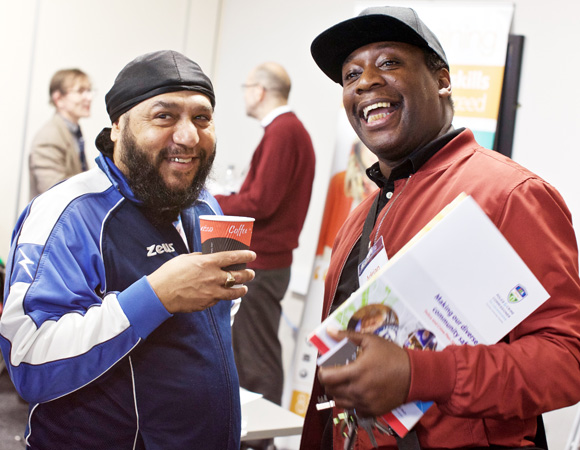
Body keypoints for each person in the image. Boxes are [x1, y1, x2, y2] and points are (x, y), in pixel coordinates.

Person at [300, 6, 580, 450]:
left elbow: (568, 361)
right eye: (351, 75)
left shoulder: (510, 194)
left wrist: (422, 374)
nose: (365, 81)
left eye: (388, 62)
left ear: (443, 80)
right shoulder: (359, 218)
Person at [0, 50, 255, 449]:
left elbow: (209, 324)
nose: (189, 136)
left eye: (201, 118)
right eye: (164, 116)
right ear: (118, 126)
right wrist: (154, 298)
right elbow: (28, 359)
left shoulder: (205, 205)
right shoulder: (68, 213)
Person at [214, 61, 315, 426]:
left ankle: (263, 437)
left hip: (265, 262)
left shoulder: (283, 132)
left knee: (256, 358)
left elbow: (261, 202)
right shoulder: (286, 130)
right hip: (269, 260)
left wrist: (214, 202)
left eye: (245, 87)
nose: (244, 94)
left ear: (258, 91)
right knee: (253, 353)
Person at [29, 68, 93, 199]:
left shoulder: (73, 131)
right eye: (80, 91)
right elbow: (55, 192)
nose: (89, 97)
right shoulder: (48, 138)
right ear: (58, 99)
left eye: (89, 90)